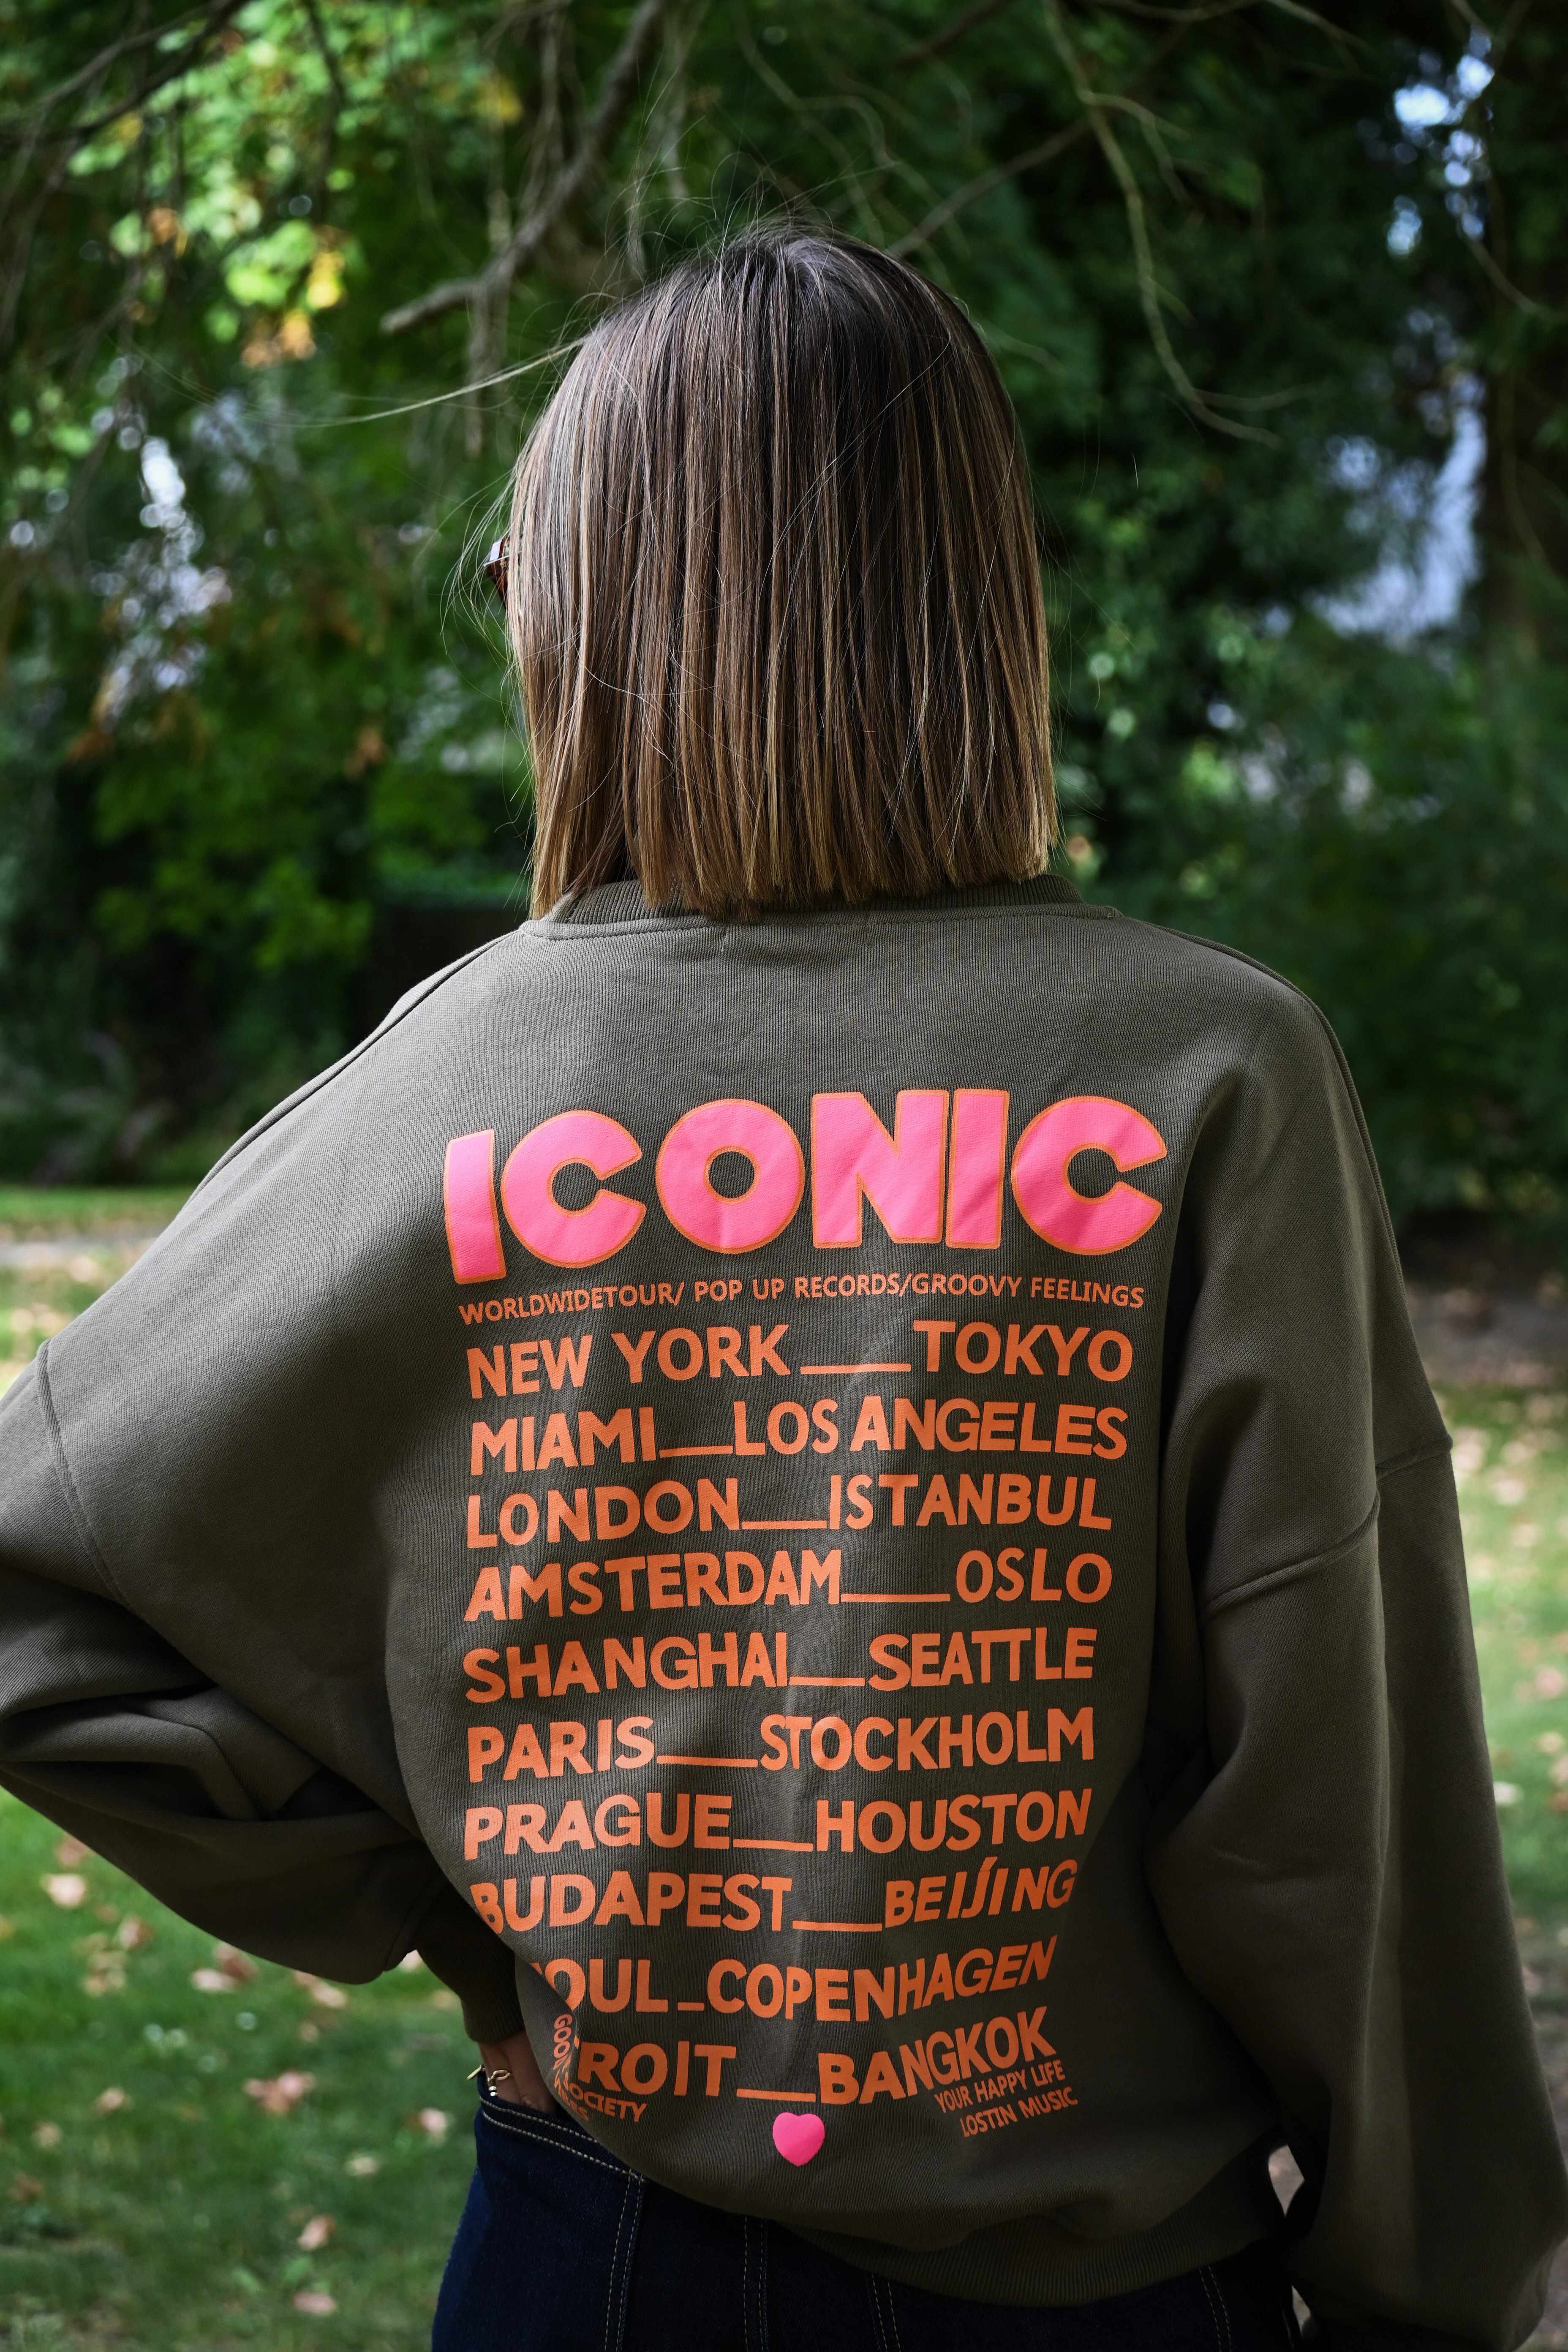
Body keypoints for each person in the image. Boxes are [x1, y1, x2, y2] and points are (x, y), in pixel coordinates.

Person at [0, 231, 1562, 2352]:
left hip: (589, 2261)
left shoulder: (460, 1081)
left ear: (589, 614)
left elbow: (38, 1582)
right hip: (1096, 2284)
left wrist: (468, 1933)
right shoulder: (1205, 1070)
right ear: (974, 605)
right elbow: (1332, 1808)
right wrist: (1435, 2292)